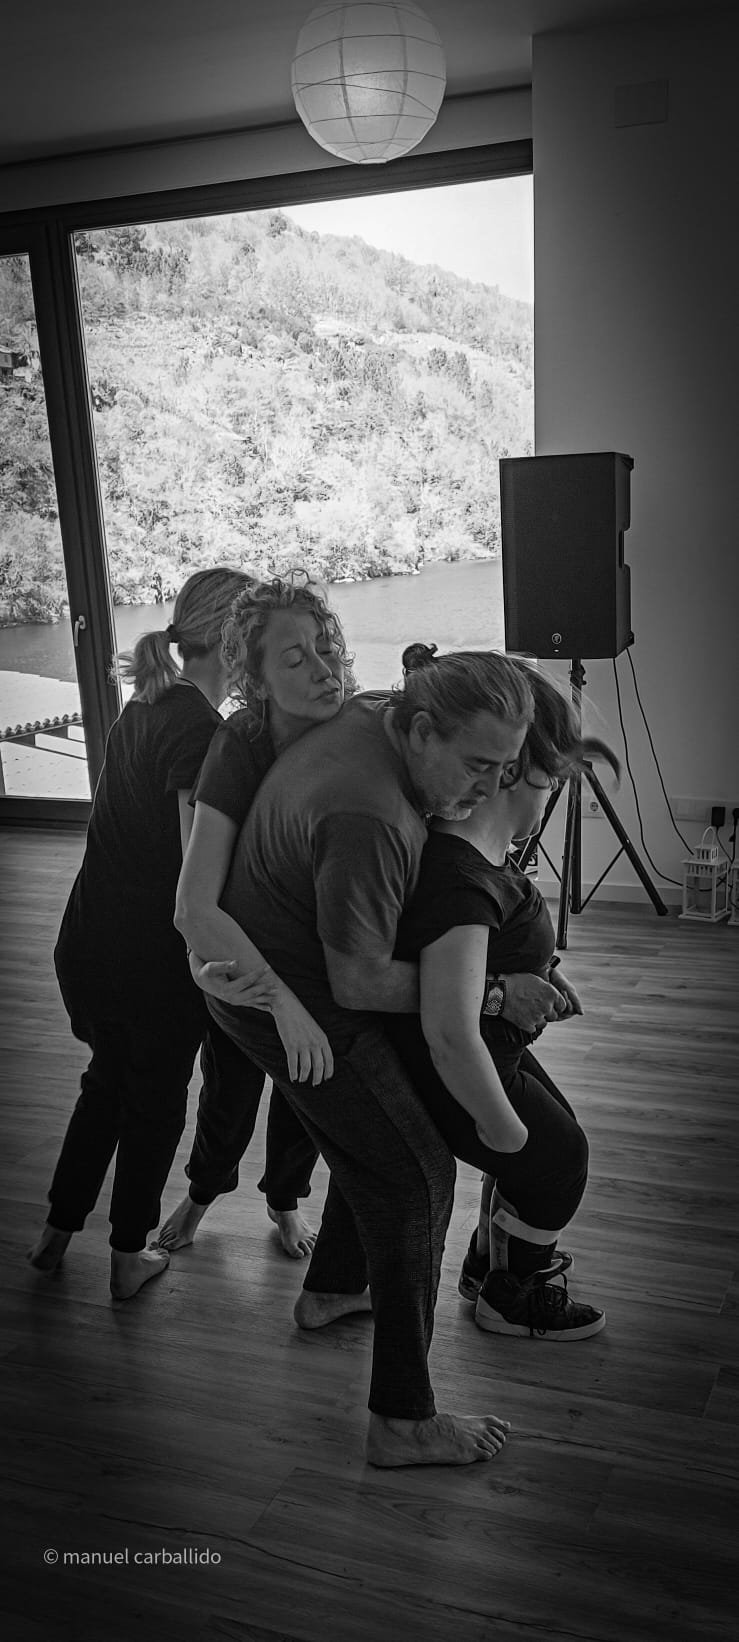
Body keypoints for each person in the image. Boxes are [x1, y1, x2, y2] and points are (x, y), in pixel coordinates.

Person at [186, 648, 536, 1468]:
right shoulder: (369, 815)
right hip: (296, 1003)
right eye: (477, 766)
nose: (490, 790)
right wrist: (492, 994)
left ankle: (334, 1289)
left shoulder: (380, 706)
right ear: (421, 730)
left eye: (507, 769)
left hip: (271, 980)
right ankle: (401, 1422)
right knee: (418, 1175)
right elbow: (362, 980)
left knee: (372, 1141)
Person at [27, 567, 255, 1299]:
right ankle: (129, 1257)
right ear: (235, 640)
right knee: (155, 1104)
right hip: (148, 962)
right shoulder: (201, 731)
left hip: (88, 941)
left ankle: (56, 1233)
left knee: (105, 1086)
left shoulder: (146, 705)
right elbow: (195, 873)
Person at [387, 648, 620, 1341]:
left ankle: (489, 1269)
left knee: (557, 1142)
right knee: (556, 1161)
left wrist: (542, 970)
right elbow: (449, 1027)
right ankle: (513, 1298)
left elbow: (498, 946)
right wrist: (499, 1125)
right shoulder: (461, 883)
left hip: (502, 1050)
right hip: (470, 1070)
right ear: (521, 774)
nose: (549, 803)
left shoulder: (486, 859)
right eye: (553, 784)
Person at [159, 573, 356, 1259]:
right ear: (259, 680)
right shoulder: (241, 741)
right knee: (230, 1088)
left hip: (318, 956)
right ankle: (201, 1193)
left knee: (308, 1091)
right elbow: (194, 901)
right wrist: (268, 994)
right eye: (296, 658)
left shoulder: (354, 728)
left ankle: (284, 1202)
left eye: (326, 647)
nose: (324, 669)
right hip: (244, 954)